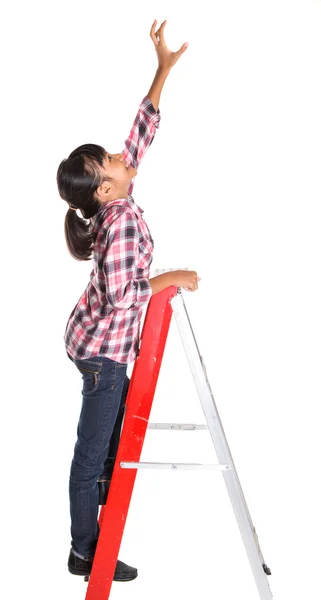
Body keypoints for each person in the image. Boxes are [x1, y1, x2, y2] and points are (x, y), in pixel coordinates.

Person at [56, 19, 200, 582]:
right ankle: (83, 550)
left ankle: (101, 514)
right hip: (103, 353)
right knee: (92, 452)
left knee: (108, 443)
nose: (121, 154)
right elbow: (120, 297)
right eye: (111, 161)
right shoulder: (117, 226)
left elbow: (139, 136)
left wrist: (161, 72)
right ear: (106, 191)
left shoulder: (117, 193)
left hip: (100, 342)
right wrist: (171, 278)